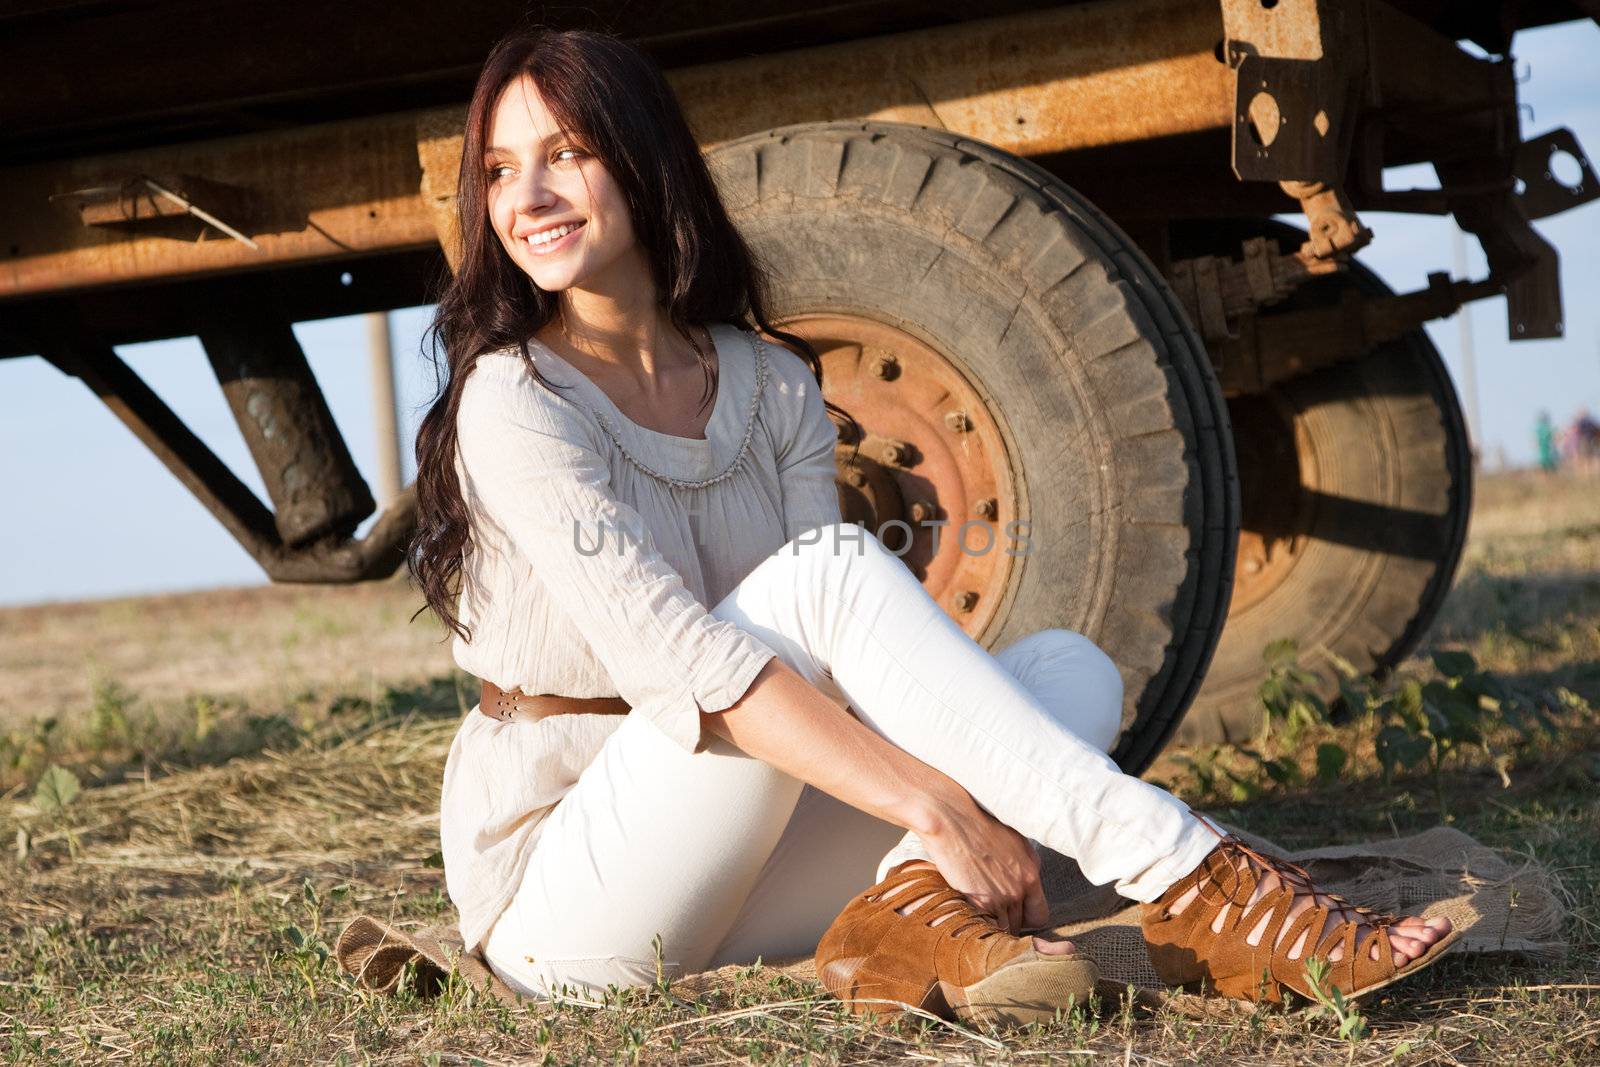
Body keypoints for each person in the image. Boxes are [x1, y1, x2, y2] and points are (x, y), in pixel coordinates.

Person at [407, 28, 1455, 1021]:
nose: (526, 197)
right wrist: (940, 806)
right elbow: (683, 665)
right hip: (578, 911)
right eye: (498, 170)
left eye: (565, 153)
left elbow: (837, 663)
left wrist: (929, 807)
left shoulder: (769, 384)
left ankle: (907, 911)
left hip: (751, 856)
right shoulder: (516, 396)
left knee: (1068, 668)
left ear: (642, 162)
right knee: (827, 580)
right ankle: (1194, 870)